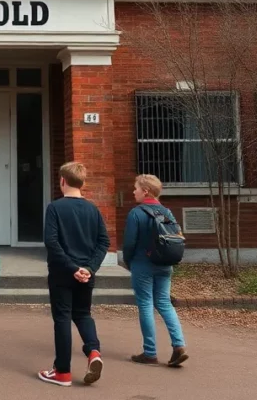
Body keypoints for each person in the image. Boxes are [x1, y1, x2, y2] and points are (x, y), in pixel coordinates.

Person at [38, 162, 110, 387]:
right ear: (83, 182)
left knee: (62, 318)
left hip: (62, 273)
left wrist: (72, 268)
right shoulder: (93, 209)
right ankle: (93, 351)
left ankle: (62, 371)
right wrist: (89, 268)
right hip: (86, 273)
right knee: (83, 314)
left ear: (62, 181)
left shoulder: (55, 208)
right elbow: (103, 242)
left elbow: (51, 242)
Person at [122, 174, 188, 367]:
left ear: (145, 191)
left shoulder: (136, 213)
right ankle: (179, 345)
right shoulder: (167, 212)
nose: (133, 191)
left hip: (142, 263)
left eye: (136, 188)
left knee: (145, 304)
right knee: (164, 303)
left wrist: (128, 261)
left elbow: (129, 243)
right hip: (165, 263)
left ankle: (150, 352)